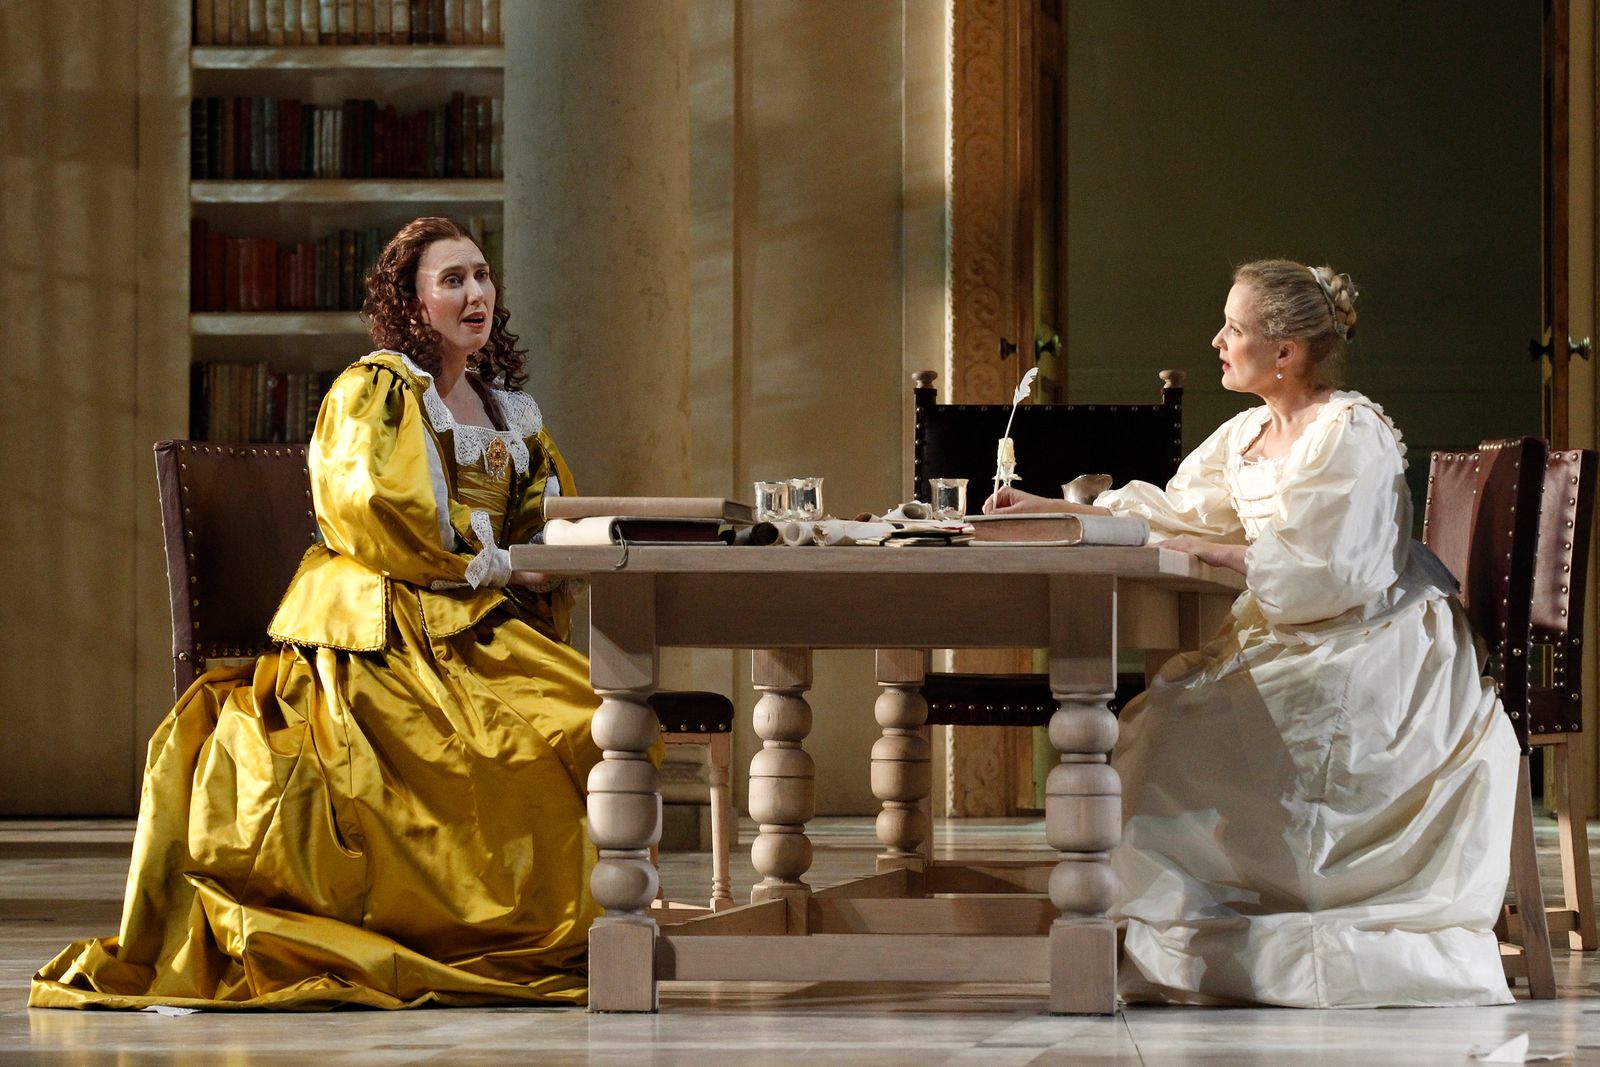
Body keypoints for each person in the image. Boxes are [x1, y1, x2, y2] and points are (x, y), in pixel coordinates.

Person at [32, 217, 620, 1010]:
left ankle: (577, 926)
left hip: (476, 623)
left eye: (482, 276)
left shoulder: (507, 408)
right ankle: (506, 933)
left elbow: (544, 512)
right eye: (452, 279)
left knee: (598, 715)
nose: (475, 292)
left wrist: (549, 549)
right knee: (535, 735)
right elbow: (377, 508)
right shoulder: (378, 389)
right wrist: (503, 562)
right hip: (388, 633)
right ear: (411, 300)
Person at [986, 259, 1518, 1008]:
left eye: (1233, 328)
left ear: (1285, 352)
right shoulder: (1246, 433)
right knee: (1158, 724)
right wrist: (1051, 508)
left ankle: (1232, 927)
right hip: (1292, 628)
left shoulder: (1349, 432)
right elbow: (1176, 515)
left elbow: (1335, 569)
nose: (1217, 340)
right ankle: (1173, 925)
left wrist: (1222, 554)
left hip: (1369, 642)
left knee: (1174, 731)